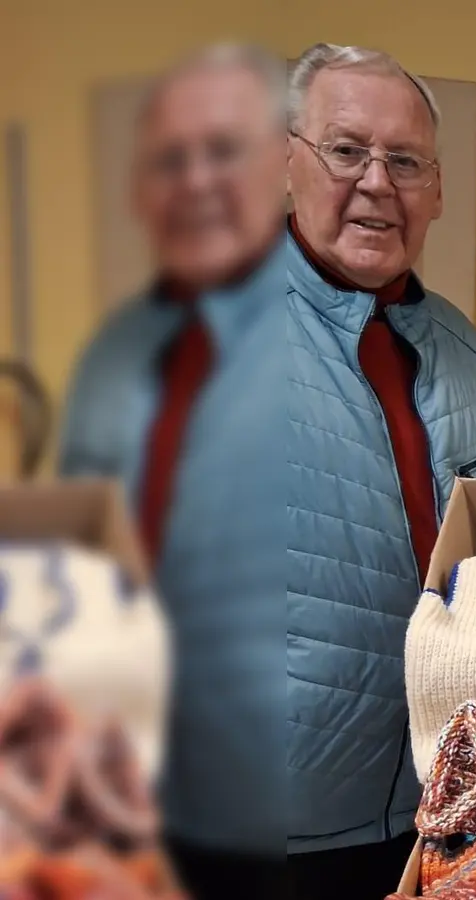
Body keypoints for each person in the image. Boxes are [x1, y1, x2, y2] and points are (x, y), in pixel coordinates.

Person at [284, 43, 476, 897]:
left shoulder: (467, 354)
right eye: (346, 150)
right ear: (287, 159)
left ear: (438, 190)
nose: (377, 182)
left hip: (442, 806)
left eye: (406, 160)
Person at [57, 44, 289, 899]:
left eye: (222, 150)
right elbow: (87, 555)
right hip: (133, 796)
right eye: (169, 159)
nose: (195, 181)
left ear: (280, 164)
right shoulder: (115, 353)